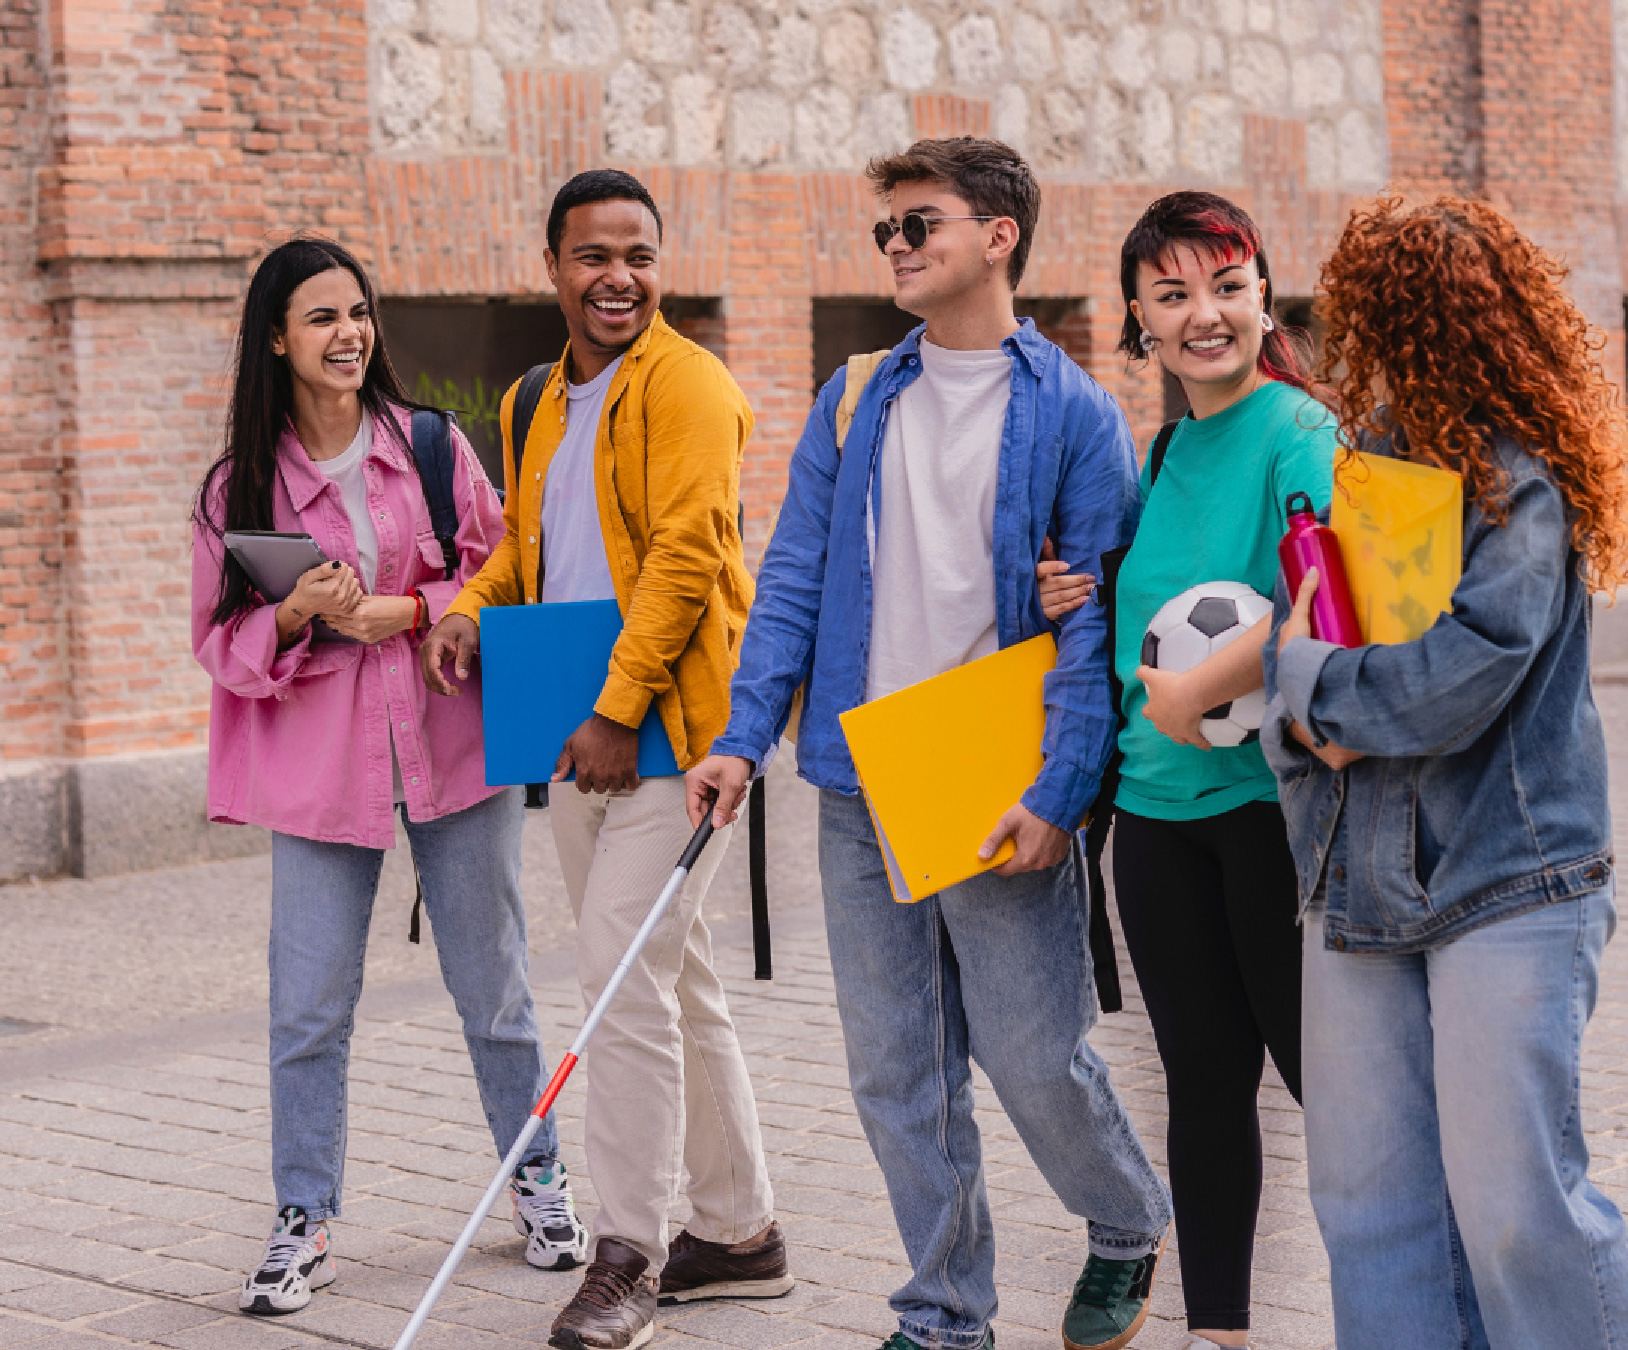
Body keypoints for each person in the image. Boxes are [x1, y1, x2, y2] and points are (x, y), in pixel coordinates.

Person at [688, 137, 1173, 1350]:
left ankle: (1124, 1219)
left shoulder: (1073, 413)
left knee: (1031, 1053)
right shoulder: (857, 396)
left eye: (921, 224)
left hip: (990, 770)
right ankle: (945, 1310)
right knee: (896, 1072)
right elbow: (791, 577)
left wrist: (1061, 792)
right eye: (886, 231)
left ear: (999, 236)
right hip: (858, 777)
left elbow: (1093, 624)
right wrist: (743, 738)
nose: (897, 247)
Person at [1264, 196, 1628, 1350]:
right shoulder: (1364, 470)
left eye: (1386, 323)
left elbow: (1465, 672)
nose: (1368, 350)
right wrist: (1305, 702)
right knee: (1369, 1211)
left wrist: (1319, 695)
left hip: (1510, 881)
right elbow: (1294, 641)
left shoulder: (1520, 481)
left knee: (1514, 1210)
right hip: (1357, 886)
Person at [421, 169, 786, 1350]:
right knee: (675, 981)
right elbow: (528, 553)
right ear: (553, 269)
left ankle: (625, 1251)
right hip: (574, 730)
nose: (617, 276)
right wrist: (472, 609)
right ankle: (740, 1235)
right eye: (593, 255)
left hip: (669, 737)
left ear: (658, 265)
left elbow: (686, 558)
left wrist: (622, 709)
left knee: (621, 984)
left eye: (637, 254)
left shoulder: (690, 386)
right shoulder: (541, 400)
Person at [192, 237, 587, 1317]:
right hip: (320, 779)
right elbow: (220, 645)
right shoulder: (241, 484)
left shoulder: (429, 446)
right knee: (308, 1009)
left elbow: (501, 569)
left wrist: (411, 610)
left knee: (494, 990)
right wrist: (294, 612)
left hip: (454, 754)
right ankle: (303, 1216)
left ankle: (538, 1177)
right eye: (321, 317)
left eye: (357, 311)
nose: (348, 333)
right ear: (277, 337)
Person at [1039, 193, 1332, 1350]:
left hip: (1270, 812)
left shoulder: (1301, 433)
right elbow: (1162, 605)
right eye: (1173, 296)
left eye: (1226, 285)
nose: (1204, 314)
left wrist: (1204, 692)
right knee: (1203, 1090)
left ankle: (1442, 1298)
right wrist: (1081, 593)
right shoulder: (1160, 448)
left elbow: (1326, 596)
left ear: (1265, 294)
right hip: (1157, 821)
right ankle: (1218, 1333)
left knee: (1327, 1082)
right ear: (1139, 322)